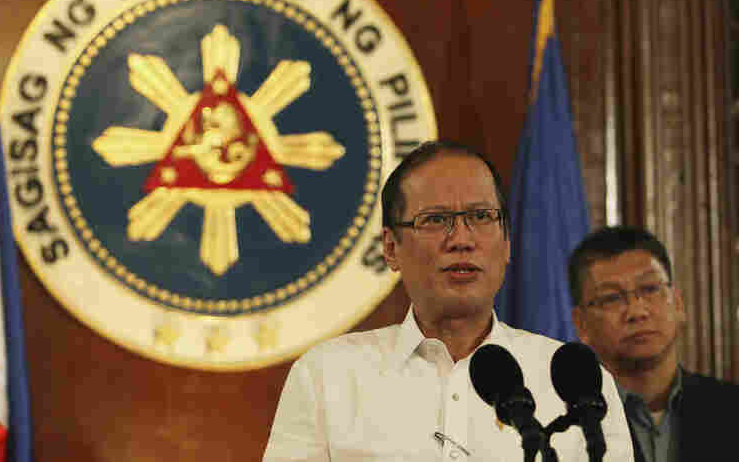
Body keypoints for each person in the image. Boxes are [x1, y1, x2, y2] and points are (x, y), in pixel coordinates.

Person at [263, 140, 633, 461]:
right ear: (391, 248)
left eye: (481, 216)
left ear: (506, 243)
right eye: (436, 219)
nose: (461, 239)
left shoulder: (576, 382)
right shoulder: (327, 377)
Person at [569, 225, 739, 462]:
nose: (637, 311)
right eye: (612, 298)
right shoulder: (565, 424)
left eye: (649, 289)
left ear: (677, 303)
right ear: (581, 324)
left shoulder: (730, 408)